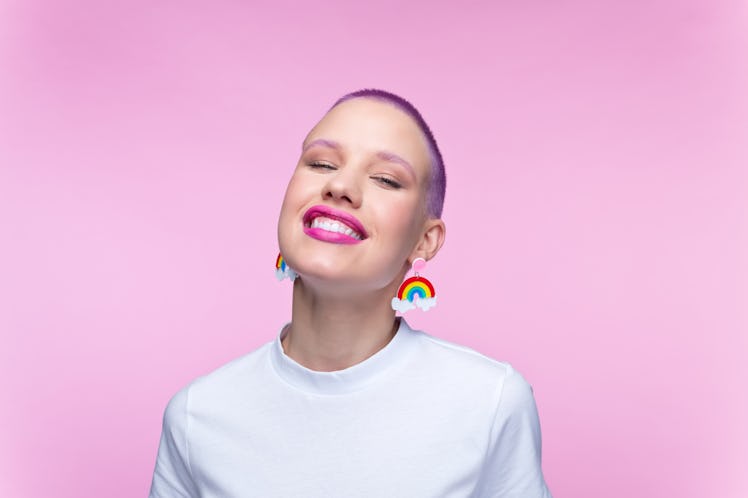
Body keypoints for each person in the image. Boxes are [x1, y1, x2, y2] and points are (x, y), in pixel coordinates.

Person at [149, 89, 552, 497]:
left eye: (385, 179)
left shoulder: (490, 402)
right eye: (321, 163)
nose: (340, 185)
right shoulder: (196, 417)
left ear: (425, 241)